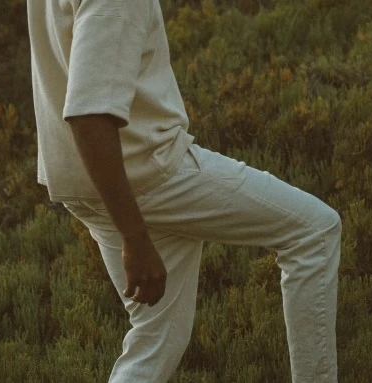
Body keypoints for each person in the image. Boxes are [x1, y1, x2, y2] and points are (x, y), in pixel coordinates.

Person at [26, 0, 341, 381]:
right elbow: (89, 115)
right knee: (314, 232)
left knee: (157, 335)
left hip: (85, 180)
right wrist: (134, 236)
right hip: (147, 172)